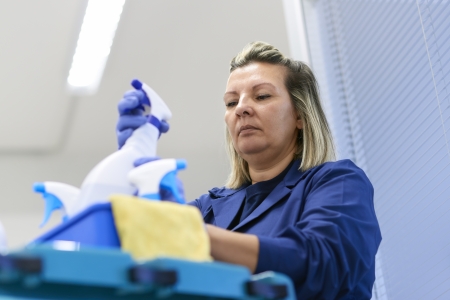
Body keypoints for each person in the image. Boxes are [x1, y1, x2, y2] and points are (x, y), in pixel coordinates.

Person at [116, 41, 381, 299]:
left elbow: (322, 265)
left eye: (262, 96)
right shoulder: (209, 208)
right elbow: (134, 250)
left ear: (300, 115)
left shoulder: (338, 182)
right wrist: (130, 161)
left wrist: (194, 233)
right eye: (231, 103)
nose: (241, 108)